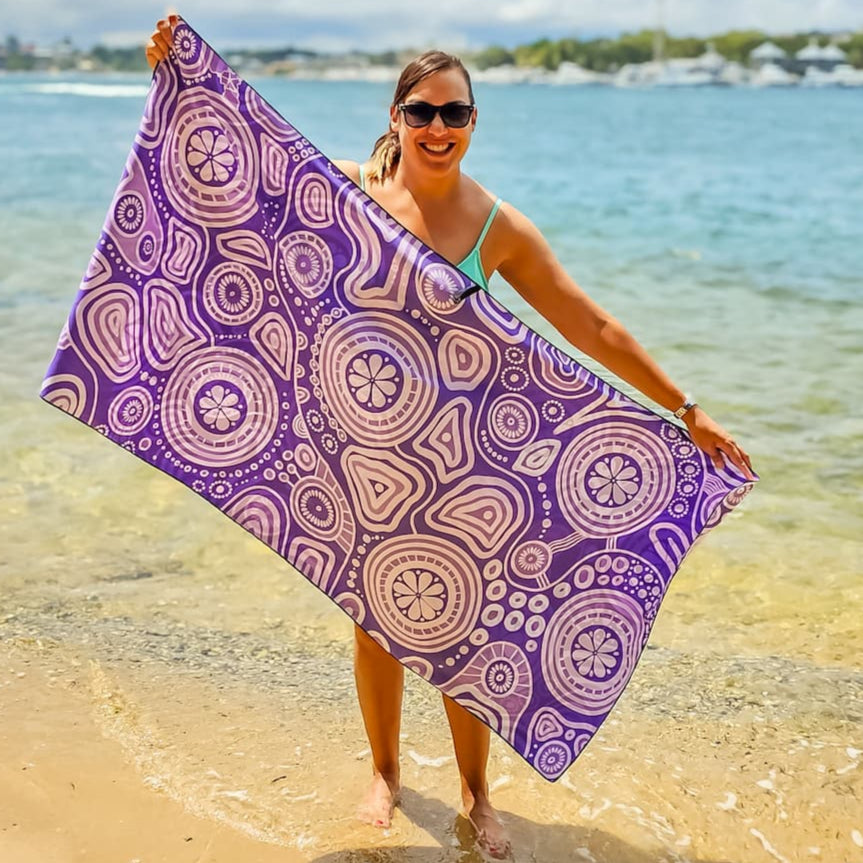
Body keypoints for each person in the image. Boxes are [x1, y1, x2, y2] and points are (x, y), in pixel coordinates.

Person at [147, 16, 755, 860]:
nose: (438, 128)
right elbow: (240, 170)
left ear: (474, 123)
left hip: (462, 462)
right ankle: (385, 772)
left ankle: (475, 791)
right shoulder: (350, 191)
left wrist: (685, 409)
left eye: (454, 113)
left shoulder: (497, 225)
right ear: (395, 117)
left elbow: (589, 324)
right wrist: (181, 75)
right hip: (361, 451)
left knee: (464, 625)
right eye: (422, 112)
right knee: (373, 620)